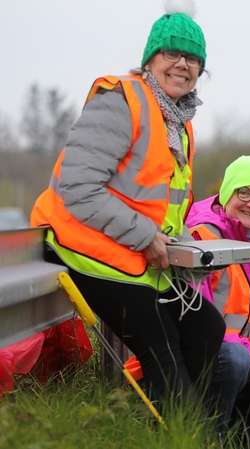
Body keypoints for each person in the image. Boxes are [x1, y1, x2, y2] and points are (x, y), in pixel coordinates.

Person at [29, 6, 225, 406]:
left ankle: (182, 423)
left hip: (134, 252)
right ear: (150, 59)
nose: (182, 64)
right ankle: (187, 434)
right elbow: (78, 190)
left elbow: (164, 206)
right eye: (172, 53)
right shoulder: (119, 99)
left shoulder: (180, 122)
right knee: (162, 348)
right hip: (85, 246)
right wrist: (145, 237)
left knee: (207, 328)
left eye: (193, 59)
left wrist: (186, 248)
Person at [185, 155, 250, 441]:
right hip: (189, 360)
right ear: (228, 193)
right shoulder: (201, 238)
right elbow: (197, 322)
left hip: (233, 362)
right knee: (238, 358)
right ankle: (205, 438)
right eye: (244, 192)